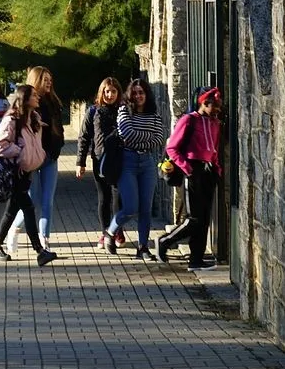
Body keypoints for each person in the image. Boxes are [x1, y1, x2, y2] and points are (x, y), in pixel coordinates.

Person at [0, 85, 56, 267]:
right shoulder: (12, 119)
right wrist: (20, 151)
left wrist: (36, 155)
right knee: (28, 207)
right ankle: (39, 251)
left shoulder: (33, 118)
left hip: (26, 171)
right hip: (14, 172)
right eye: (34, 95)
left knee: (12, 210)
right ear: (25, 98)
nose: (38, 98)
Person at [156, 87, 222, 271]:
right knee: (194, 218)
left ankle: (196, 259)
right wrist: (187, 168)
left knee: (204, 218)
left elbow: (214, 149)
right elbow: (172, 148)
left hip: (208, 172)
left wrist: (217, 169)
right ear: (203, 103)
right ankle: (164, 241)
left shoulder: (215, 123)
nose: (217, 109)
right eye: (214, 105)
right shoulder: (189, 120)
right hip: (192, 170)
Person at [102, 78, 164, 260]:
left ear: (147, 94)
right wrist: (147, 136)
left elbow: (159, 138)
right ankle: (111, 232)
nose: (138, 96)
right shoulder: (124, 111)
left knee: (145, 208)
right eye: (135, 93)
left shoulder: (154, 114)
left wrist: (140, 138)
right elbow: (126, 134)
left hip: (147, 162)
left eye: (141, 92)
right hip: (127, 161)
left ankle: (143, 247)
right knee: (130, 207)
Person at [6, 66, 64, 255]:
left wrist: (56, 148)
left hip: (49, 157)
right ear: (35, 80)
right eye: (44, 79)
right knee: (33, 200)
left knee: (48, 200)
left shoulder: (54, 102)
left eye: (50, 79)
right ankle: (13, 231)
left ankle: (44, 240)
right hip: (30, 159)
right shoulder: (25, 103)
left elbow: (59, 130)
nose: (48, 83)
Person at [76, 78, 125, 248]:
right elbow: (84, 137)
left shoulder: (124, 111)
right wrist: (80, 162)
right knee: (104, 198)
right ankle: (105, 232)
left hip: (120, 160)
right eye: (106, 91)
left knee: (119, 198)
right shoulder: (93, 111)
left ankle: (117, 230)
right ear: (101, 93)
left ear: (118, 93)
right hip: (100, 160)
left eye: (113, 91)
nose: (110, 95)